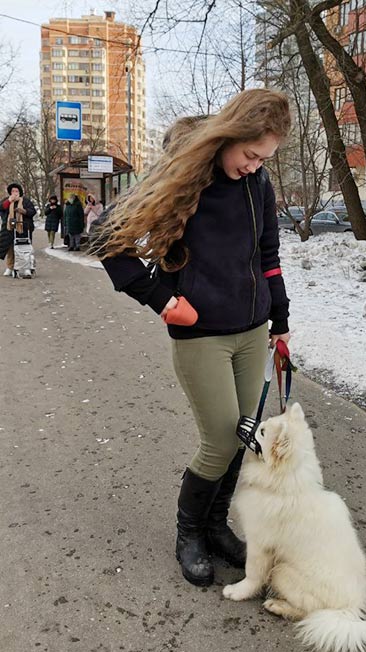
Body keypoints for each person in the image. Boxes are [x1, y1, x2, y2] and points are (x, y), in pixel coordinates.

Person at [96, 88, 291, 587]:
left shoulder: (258, 185)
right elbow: (106, 238)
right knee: (221, 437)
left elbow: (268, 255)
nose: (254, 166)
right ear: (231, 135)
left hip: (251, 331)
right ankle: (189, 535)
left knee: (244, 434)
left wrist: (281, 320)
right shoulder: (181, 176)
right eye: (250, 155)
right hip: (202, 335)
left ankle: (215, 526)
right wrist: (162, 299)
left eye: (264, 159)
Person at [0, 183, 36, 276]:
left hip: (23, 228)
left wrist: (24, 211)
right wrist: (8, 201)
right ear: (10, 192)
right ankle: (10, 267)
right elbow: (1, 208)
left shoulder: (25, 201)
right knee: (10, 248)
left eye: (16, 191)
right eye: (13, 191)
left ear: (19, 192)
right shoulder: (6, 200)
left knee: (23, 248)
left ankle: (25, 267)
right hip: (9, 229)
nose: (15, 193)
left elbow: (32, 211)